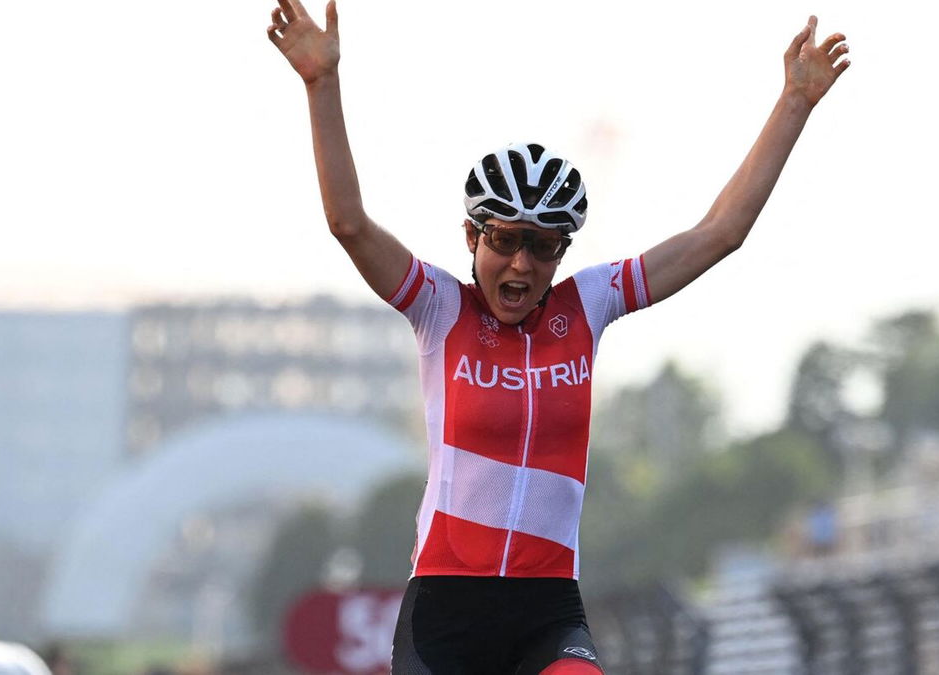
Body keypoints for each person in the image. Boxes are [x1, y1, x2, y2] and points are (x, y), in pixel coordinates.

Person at [267, 2, 849, 672]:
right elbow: (350, 224)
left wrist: (794, 103)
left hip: (548, 609)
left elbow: (719, 233)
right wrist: (321, 84)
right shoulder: (439, 308)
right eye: (507, 241)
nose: (522, 264)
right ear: (471, 238)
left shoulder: (587, 305)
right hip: (446, 611)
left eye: (543, 248)